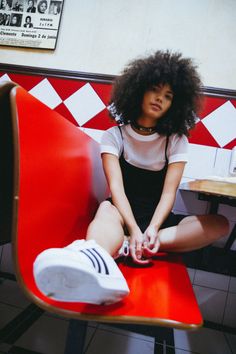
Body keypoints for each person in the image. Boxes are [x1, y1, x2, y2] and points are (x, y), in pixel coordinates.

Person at [34, 50, 229, 305]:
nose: (160, 99)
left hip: (156, 220)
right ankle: (94, 262)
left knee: (219, 224)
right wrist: (134, 227)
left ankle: (129, 244)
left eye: (168, 96)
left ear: (175, 104)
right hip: (120, 211)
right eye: (155, 90)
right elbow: (116, 189)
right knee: (105, 208)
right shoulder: (114, 136)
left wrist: (151, 230)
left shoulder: (176, 139)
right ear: (138, 90)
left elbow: (169, 193)